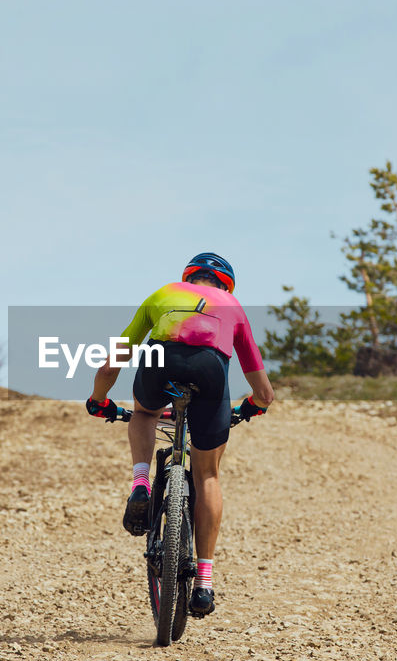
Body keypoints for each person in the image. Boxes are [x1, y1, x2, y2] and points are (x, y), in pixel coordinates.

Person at [86, 252, 274, 618]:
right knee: (208, 474)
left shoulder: (162, 294)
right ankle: (203, 582)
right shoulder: (233, 306)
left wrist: (99, 401)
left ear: (188, 278)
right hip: (211, 371)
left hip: (161, 361)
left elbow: (113, 362)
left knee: (144, 413)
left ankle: (141, 484)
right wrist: (251, 407)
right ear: (226, 285)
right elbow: (264, 393)